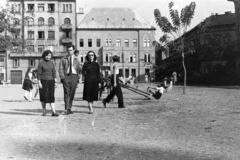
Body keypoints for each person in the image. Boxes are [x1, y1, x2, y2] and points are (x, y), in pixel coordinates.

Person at [59, 45, 82, 115]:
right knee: (66, 93)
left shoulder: (76, 59)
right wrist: (63, 77)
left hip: (74, 77)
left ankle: (69, 108)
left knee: (72, 93)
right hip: (66, 77)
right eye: (68, 50)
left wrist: (78, 77)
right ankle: (66, 109)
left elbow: (79, 69)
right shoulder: (63, 59)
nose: (69, 52)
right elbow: (60, 69)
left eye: (71, 50)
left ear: (73, 50)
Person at [37, 50, 58, 116]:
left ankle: (53, 112)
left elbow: (54, 72)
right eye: (47, 55)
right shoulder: (41, 63)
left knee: (51, 96)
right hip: (43, 81)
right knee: (43, 96)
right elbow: (38, 73)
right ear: (44, 55)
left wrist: (56, 81)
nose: (48, 57)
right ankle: (44, 111)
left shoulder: (52, 63)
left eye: (49, 55)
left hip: (51, 81)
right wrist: (39, 82)